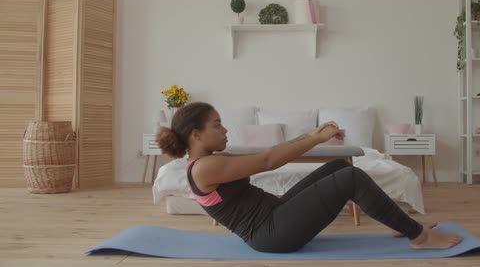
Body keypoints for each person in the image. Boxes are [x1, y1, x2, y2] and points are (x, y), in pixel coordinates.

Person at [157, 102, 462, 253]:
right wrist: (314, 140)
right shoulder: (203, 168)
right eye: (217, 124)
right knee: (351, 177)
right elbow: (266, 160)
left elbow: (270, 152)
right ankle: (418, 236)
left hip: (274, 216)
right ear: (196, 134)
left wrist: (311, 134)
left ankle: (398, 222)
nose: (224, 130)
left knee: (339, 167)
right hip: (271, 234)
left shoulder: (209, 161)